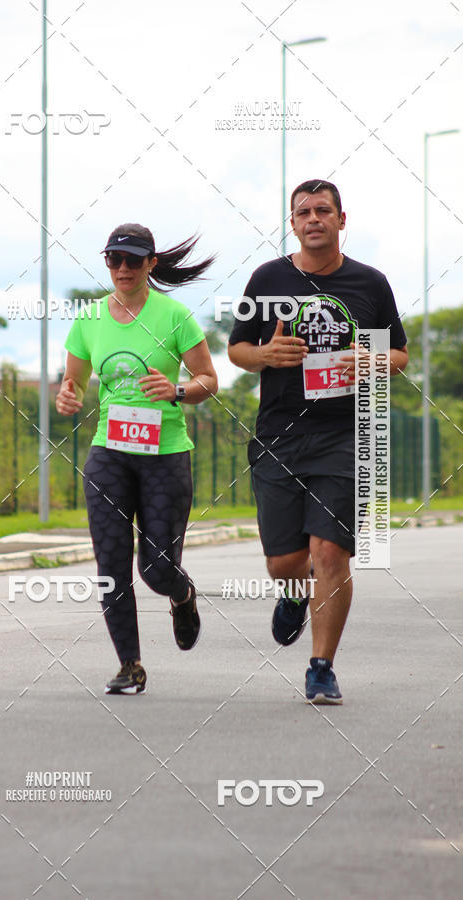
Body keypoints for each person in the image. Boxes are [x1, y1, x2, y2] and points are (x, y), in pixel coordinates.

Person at [228, 179, 408, 704]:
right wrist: (265, 356)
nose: (313, 219)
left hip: (345, 437)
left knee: (331, 551)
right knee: (285, 562)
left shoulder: (370, 284)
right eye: (303, 212)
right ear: (293, 223)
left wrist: (371, 360)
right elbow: (237, 349)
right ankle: (294, 591)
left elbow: (399, 355)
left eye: (323, 210)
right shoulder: (268, 279)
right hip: (279, 437)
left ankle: (321, 667)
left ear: (341, 220)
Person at [56, 223, 218, 694]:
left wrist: (178, 390)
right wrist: (67, 395)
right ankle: (130, 664)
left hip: (165, 455)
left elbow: (209, 380)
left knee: (156, 568)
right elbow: (73, 381)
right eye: (114, 259)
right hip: (109, 453)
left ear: (151, 263)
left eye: (132, 260)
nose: (122, 268)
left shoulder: (175, 316)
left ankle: (182, 595)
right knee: (111, 564)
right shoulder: (89, 319)